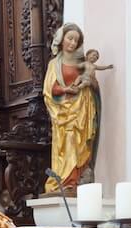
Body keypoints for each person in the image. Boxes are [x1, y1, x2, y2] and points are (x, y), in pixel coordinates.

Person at [43, 24, 100, 194]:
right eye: (70, 38)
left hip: (82, 108)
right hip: (62, 111)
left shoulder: (82, 63)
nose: (73, 43)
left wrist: (91, 84)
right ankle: (65, 181)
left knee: (80, 144)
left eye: (76, 40)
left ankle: (77, 181)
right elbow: (49, 89)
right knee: (66, 143)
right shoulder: (54, 64)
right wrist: (66, 90)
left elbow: (93, 84)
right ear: (61, 40)